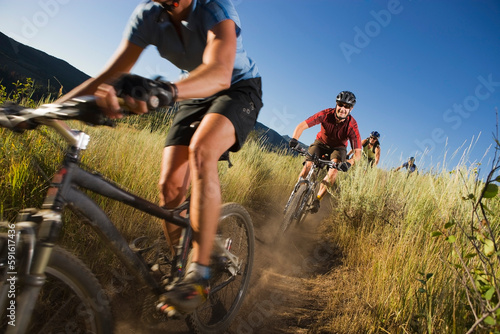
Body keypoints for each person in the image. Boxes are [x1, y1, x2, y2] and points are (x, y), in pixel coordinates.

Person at [57, 0, 263, 315]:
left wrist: (163, 90)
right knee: (169, 187)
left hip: (236, 88)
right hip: (192, 93)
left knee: (202, 151)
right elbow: (112, 73)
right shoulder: (148, 17)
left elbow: (221, 73)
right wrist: (51, 109)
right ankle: (181, 270)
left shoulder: (214, 8)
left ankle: (199, 275)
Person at [289, 91, 362, 213]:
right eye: (340, 104)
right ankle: (297, 194)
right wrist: (294, 140)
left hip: (338, 149)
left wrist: (349, 162)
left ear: (351, 109)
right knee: (307, 166)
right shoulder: (326, 114)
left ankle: (317, 199)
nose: (343, 109)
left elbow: (358, 154)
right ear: (336, 104)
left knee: (333, 171)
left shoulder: (352, 126)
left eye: (347, 106)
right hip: (320, 143)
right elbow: (302, 125)